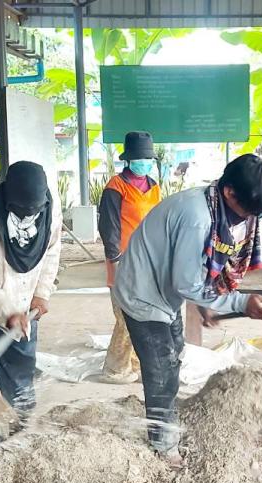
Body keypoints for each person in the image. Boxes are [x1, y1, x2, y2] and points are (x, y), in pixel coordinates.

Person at [113, 154, 262, 465]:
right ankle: (164, 447)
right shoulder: (198, 217)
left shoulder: (215, 206)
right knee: (161, 371)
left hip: (163, 289)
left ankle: (166, 424)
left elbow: (198, 271)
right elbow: (187, 285)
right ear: (230, 192)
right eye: (249, 211)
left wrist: (206, 304)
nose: (250, 219)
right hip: (144, 294)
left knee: (173, 355)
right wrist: (240, 303)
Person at [0, 160, 61, 417]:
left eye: (34, 211)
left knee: (21, 371)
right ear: (8, 200)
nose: (28, 216)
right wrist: (9, 312)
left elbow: (51, 253)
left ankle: (21, 428)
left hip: (27, 307)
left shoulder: (50, 211)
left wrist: (42, 293)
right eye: (20, 211)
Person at [98, 131, 161, 384]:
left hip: (149, 260)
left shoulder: (154, 185)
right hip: (123, 260)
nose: (144, 163)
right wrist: (115, 258)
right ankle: (114, 369)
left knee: (143, 315)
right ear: (129, 160)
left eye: (148, 159)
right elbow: (109, 227)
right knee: (125, 316)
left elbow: (158, 220)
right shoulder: (115, 187)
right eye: (140, 159)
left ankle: (134, 363)